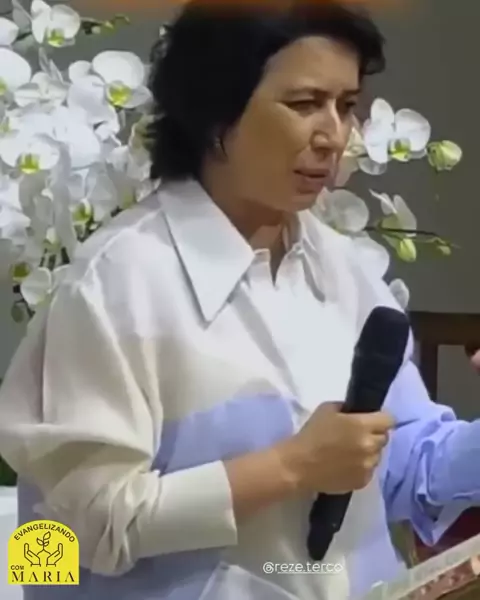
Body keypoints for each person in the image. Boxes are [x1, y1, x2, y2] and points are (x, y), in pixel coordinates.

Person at [0, 2, 479, 600]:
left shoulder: (346, 270)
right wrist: (291, 467)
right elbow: (77, 530)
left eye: (346, 105)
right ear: (213, 113)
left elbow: (407, 467)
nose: (334, 134)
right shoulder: (115, 284)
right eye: (305, 104)